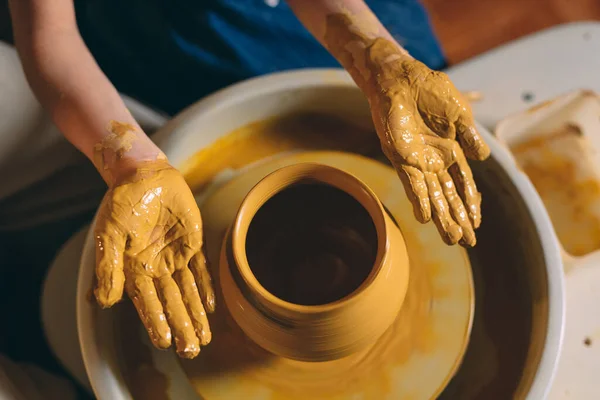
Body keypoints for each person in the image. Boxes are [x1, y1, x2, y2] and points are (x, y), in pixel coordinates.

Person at [3, 0, 490, 397]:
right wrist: (133, 164)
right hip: (150, 37)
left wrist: (375, 56)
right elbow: (53, 38)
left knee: (427, 107)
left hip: (309, 21)